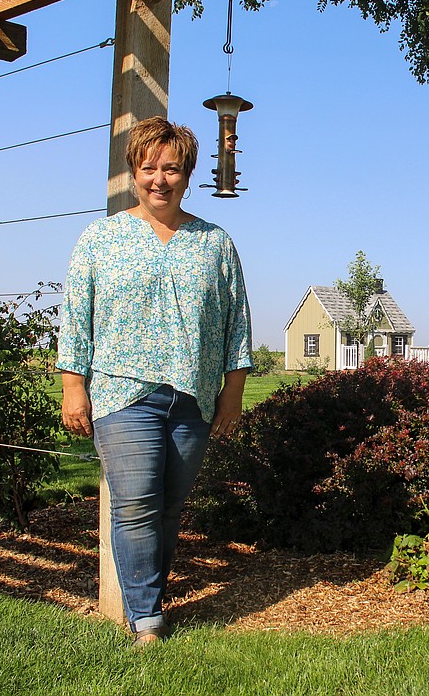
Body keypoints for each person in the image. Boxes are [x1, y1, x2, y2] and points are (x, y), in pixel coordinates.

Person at [56, 116, 253, 647]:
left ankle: (151, 595)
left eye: (171, 169)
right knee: (137, 502)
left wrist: (230, 396)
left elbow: (237, 325)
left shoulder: (215, 244)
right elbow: (76, 317)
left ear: (188, 175)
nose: (159, 179)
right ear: (132, 173)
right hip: (123, 395)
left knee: (168, 507)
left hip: (193, 397)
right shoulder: (100, 239)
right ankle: (147, 617)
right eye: (149, 168)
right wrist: (75, 386)